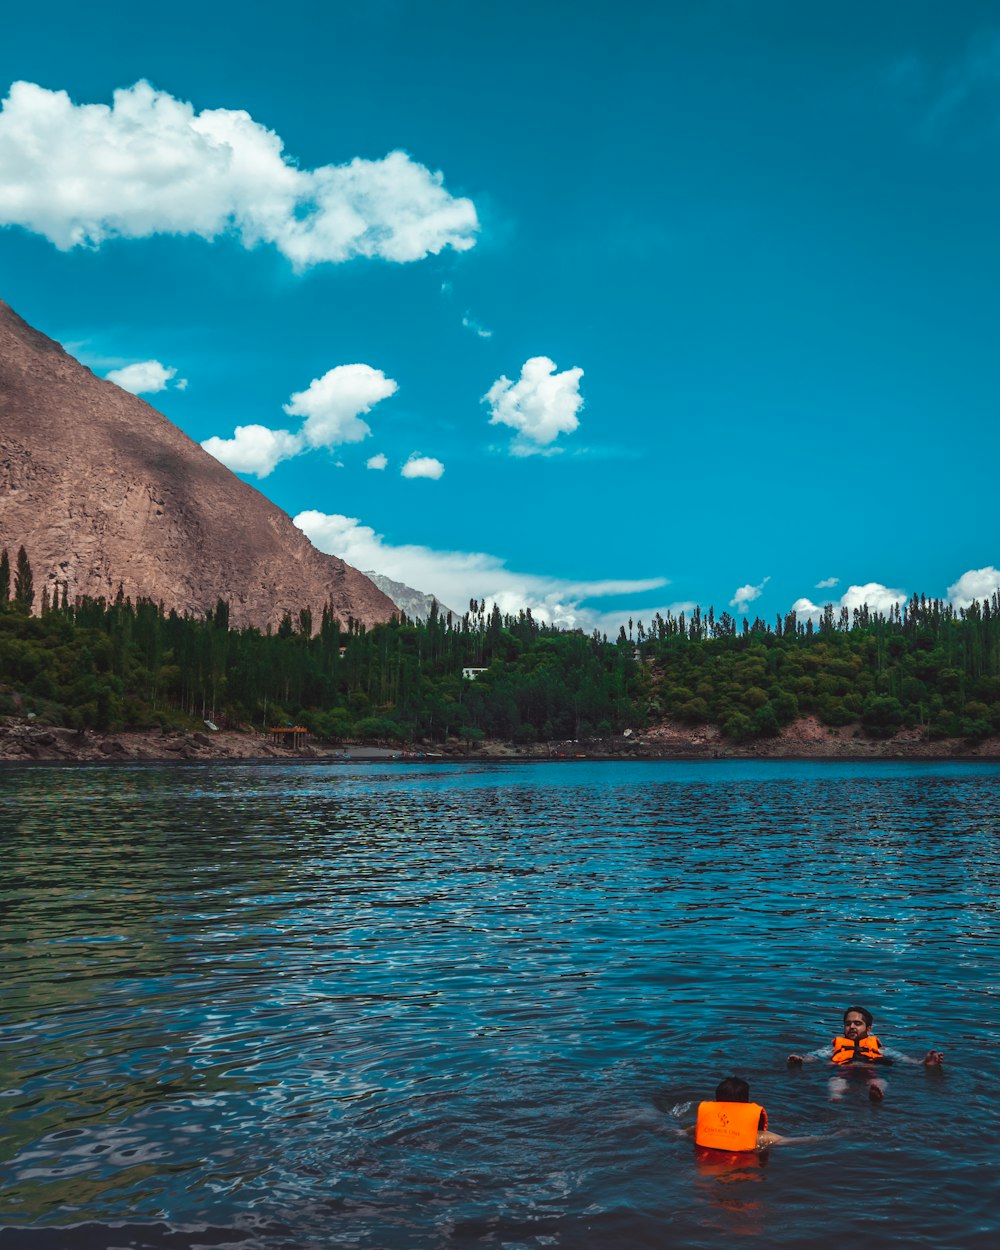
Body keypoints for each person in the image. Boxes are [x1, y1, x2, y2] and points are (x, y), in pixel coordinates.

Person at [787, 1005, 944, 1101]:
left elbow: (903, 1059)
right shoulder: (833, 1048)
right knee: (836, 1081)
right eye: (848, 1024)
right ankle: (836, 1097)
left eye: (858, 1023)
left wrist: (924, 1063)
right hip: (844, 1072)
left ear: (868, 1029)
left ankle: (876, 1094)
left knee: (879, 1081)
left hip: (872, 1072)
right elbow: (814, 1056)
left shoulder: (881, 1049)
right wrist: (801, 1059)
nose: (852, 1027)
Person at [692, 1076, 788, 1153]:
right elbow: (791, 1141)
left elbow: (680, 1133)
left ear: (717, 1100)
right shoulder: (759, 1137)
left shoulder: (699, 1129)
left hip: (706, 1170)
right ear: (746, 1102)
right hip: (742, 1173)